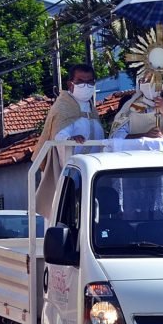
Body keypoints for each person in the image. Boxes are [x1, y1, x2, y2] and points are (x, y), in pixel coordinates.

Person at [34, 64, 105, 220]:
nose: (86, 86)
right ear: (70, 84)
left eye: (90, 82)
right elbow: (58, 136)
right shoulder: (62, 107)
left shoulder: (92, 109)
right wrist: (69, 139)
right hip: (71, 175)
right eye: (80, 82)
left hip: (95, 174)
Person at [111, 75, 163, 139]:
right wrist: (145, 136)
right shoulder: (130, 106)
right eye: (143, 80)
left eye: (152, 79)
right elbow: (117, 137)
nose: (147, 84)